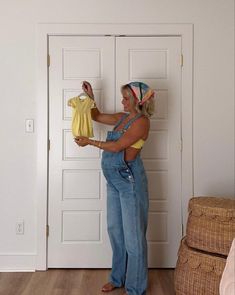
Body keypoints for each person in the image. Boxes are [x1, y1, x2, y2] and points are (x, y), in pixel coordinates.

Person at [75, 81, 155, 295]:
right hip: (114, 181)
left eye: (127, 98)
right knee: (115, 231)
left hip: (130, 182)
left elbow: (118, 146)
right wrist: (90, 97)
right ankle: (118, 278)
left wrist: (90, 142)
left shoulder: (142, 122)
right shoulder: (122, 118)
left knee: (133, 237)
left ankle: (135, 288)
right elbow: (96, 116)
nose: (122, 101)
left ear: (139, 101)